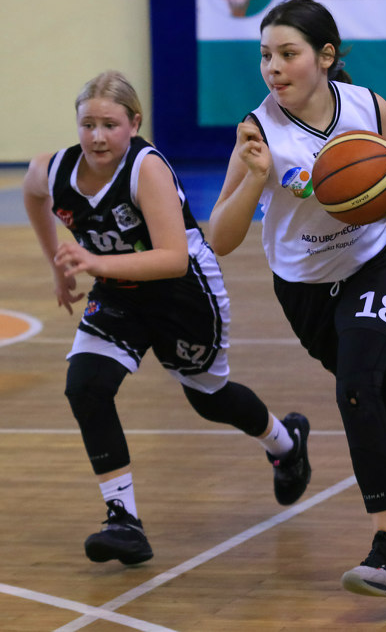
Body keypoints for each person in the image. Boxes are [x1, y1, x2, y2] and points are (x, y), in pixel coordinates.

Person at [208, 0, 386, 597]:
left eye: (287, 53)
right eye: (265, 55)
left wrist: (371, 191)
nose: (273, 67)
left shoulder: (367, 106)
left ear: (325, 56)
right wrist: (256, 177)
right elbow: (222, 239)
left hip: (375, 264)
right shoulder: (257, 130)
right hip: (305, 291)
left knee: (358, 387)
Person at [23, 70, 311, 566]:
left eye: (110, 125)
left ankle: (286, 444)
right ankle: (123, 520)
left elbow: (173, 259)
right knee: (85, 386)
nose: (97, 136)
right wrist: (57, 264)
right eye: (88, 124)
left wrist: (92, 261)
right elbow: (33, 196)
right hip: (119, 292)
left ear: (134, 124)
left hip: (183, 293)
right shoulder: (53, 170)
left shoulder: (146, 169)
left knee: (209, 399)